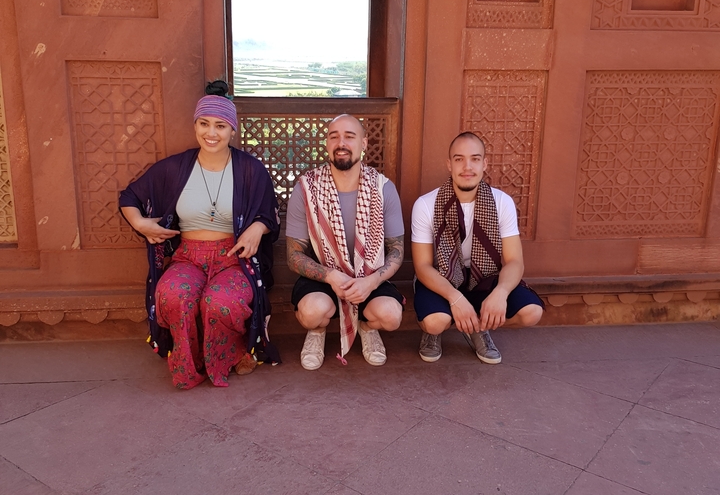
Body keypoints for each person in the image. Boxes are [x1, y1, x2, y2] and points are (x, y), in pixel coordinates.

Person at [119, 81, 280, 390]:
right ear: (195, 125)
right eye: (204, 123)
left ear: (233, 130)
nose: (212, 132)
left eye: (220, 125)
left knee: (220, 302)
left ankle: (231, 354)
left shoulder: (250, 170)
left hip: (233, 259)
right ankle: (190, 363)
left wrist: (257, 229)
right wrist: (142, 225)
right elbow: (129, 198)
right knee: (174, 296)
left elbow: (269, 213)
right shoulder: (174, 168)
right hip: (187, 257)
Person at [411, 131, 543, 364]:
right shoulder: (426, 204)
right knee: (435, 322)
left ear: (484, 164)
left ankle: (477, 328)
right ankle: (434, 333)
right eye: (459, 159)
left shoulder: (501, 202)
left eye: (475, 158)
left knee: (532, 312)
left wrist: (500, 293)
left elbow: (514, 261)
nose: (467, 166)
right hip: (442, 278)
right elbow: (422, 266)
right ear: (449, 164)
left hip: (486, 279)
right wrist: (455, 298)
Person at [286, 114, 404, 369]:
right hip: (323, 276)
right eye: (334, 136)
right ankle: (317, 331)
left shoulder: (383, 189)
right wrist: (330, 276)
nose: (341, 142)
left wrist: (371, 281)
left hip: (370, 275)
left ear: (363, 143)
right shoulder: (307, 189)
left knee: (391, 316)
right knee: (311, 312)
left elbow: (396, 251)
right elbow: (294, 256)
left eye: (349, 136)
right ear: (326, 144)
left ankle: (366, 327)